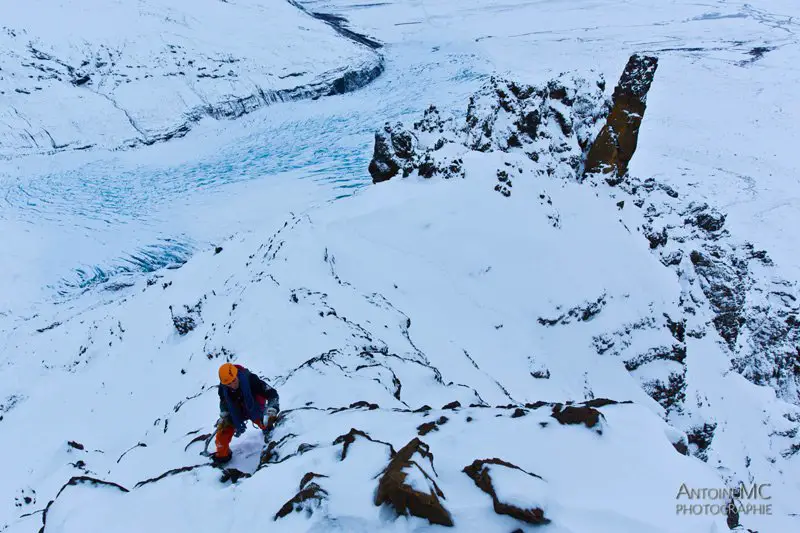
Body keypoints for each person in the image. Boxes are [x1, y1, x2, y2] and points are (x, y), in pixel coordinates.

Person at [210, 362, 280, 464]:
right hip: (235, 414)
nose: (232, 385)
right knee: (222, 435)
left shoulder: (251, 380)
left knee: (266, 422)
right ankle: (223, 457)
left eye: (233, 380)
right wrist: (224, 413)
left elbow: (272, 394)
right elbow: (224, 401)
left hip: (255, 410)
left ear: (236, 374)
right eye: (228, 383)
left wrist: (272, 408)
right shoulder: (223, 388)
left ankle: (271, 435)